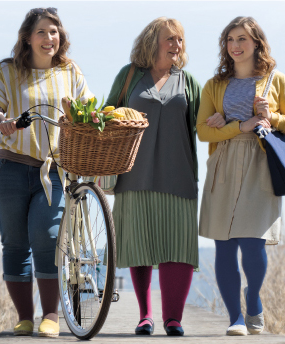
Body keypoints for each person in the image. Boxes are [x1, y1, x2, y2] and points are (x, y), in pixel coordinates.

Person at [0, 7, 92, 338]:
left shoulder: (69, 72)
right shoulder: (8, 71)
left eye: (54, 32)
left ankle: (50, 315)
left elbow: (88, 108)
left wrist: (81, 122)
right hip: (9, 168)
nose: (49, 38)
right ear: (27, 38)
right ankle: (24, 317)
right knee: (14, 244)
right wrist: (3, 121)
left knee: (47, 238)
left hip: (52, 171)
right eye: (42, 32)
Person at [196, 16, 285, 336]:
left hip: (260, 163)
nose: (235, 46)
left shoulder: (277, 80)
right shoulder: (215, 85)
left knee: (253, 243)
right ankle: (236, 318)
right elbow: (203, 131)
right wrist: (237, 127)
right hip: (224, 165)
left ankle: (253, 298)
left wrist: (272, 117)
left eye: (242, 39)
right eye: (230, 40)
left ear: (256, 42)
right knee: (225, 245)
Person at [104, 17, 201, 337]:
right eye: (170, 39)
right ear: (152, 42)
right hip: (134, 174)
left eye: (181, 40)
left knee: (179, 249)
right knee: (139, 245)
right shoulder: (129, 75)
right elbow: (107, 112)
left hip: (179, 176)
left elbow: (203, 126)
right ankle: (145, 316)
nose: (177, 45)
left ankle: (173, 318)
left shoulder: (188, 82)